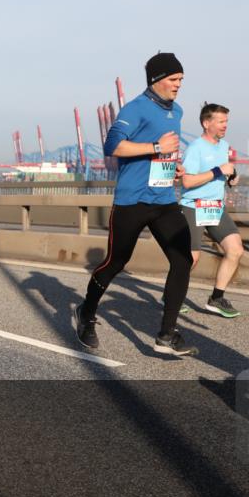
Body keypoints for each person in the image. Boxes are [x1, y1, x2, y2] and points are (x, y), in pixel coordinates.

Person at [73, 52, 196, 357]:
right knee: (116, 262)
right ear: (156, 80)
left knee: (183, 260)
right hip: (132, 200)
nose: (178, 84)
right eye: (173, 79)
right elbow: (112, 145)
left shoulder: (177, 111)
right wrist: (156, 147)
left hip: (164, 199)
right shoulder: (135, 108)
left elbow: (165, 152)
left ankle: (167, 334)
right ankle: (86, 312)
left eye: (181, 79)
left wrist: (174, 165)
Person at [179, 103, 244, 318]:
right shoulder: (195, 148)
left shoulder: (223, 145)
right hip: (194, 206)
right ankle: (173, 295)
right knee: (192, 259)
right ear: (207, 123)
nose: (225, 125)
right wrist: (218, 170)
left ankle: (216, 298)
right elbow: (187, 182)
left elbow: (222, 176)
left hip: (215, 207)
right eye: (221, 121)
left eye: (227, 121)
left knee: (235, 250)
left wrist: (231, 179)